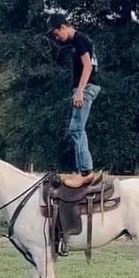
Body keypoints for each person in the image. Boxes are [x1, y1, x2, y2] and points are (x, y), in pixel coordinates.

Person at [45, 13, 102, 187]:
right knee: (75, 128)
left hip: (86, 87)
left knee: (77, 128)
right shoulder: (79, 40)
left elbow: (87, 66)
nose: (56, 38)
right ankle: (81, 171)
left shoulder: (79, 39)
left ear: (63, 27)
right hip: (85, 87)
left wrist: (80, 91)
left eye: (55, 34)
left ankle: (85, 172)